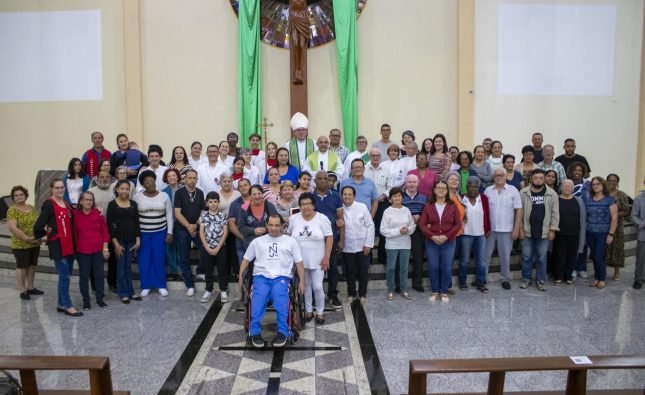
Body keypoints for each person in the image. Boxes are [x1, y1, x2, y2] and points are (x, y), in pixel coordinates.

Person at [239, 215, 305, 348]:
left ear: (282, 226)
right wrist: (240, 278)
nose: (273, 228)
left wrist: (302, 281)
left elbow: (299, 263)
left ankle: (283, 332)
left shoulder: (290, 241)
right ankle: (255, 333)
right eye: (271, 225)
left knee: (281, 299)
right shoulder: (257, 242)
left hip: (281, 278)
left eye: (277, 225)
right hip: (261, 277)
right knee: (258, 298)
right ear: (266, 225)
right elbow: (246, 261)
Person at [34, 179, 82, 316]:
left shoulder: (66, 203)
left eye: (62, 187)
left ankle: (61, 304)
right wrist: (50, 233)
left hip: (70, 244)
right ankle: (67, 305)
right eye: (57, 188)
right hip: (58, 245)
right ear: (51, 189)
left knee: (65, 276)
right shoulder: (49, 204)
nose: (60, 190)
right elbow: (38, 226)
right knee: (64, 276)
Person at [288, 192, 333, 324]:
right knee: (305, 285)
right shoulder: (294, 219)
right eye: (303, 204)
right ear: (299, 206)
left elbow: (329, 237)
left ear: (313, 205)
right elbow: (289, 236)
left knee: (318, 286)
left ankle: (320, 312)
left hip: (318, 259)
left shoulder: (322, 218)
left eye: (308, 204)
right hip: (300, 260)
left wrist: (327, 257)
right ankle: (308, 310)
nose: (306, 207)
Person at [419, 180, 462, 302]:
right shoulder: (428, 205)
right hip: (432, 242)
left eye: (444, 188)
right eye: (439, 187)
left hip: (448, 242)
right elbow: (422, 225)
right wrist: (432, 236)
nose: (441, 190)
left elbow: (458, 224)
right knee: (433, 266)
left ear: (447, 190)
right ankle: (435, 291)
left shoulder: (452, 205)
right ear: (434, 190)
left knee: (446, 266)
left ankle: (443, 291)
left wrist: (447, 236)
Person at [518, 169, 560, 291]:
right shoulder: (523, 192)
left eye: (541, 178)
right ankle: (526, 279)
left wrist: (553, 229)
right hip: (527, 231)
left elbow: (555, 213)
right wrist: (520, 228)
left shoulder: (552, 194)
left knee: (542, 258)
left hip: (544, 232)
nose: (538, 180)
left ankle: (540, 280)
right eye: (536, 178)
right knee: (526, 257)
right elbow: (519, 212)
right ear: (531, 179)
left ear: (545, 179)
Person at [134, 170, 173, 297]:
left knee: (159, 259)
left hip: (160, 233)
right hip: (143, 234)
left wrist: (169, 232)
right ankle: (146, 286)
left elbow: (169, 216)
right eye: (147, 182)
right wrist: (136, 236)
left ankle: (161, 285)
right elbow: (134, 218)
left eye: (152, 181)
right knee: (144, 260)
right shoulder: (137, 197)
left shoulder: (164, 196)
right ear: (143, 185)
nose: (150, 184)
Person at [484, 168, 523, 290]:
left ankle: (505, 278)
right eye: (496, 175)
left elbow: (519, 210)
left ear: (506, 176)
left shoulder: (513, 190)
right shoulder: (488, 190)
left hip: (506, 229)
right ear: (493, 177)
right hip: (490, 229)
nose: (499, 177)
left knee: (505, 256)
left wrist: (516, 228)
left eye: (502, 175)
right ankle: (482, 278)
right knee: (485, 255)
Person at [312, 171, 344, 309]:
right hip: (313, 240)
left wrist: (341, 240)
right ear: (315, 181)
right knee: (313, 268)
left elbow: (340, 220)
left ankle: (332, 295)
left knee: (332, 269)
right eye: (320, 178)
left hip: (332, 238)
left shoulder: (336, 196)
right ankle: (313, 296)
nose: (323, 181)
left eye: (326, 178)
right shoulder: (309, 197)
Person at [74, 191, 109, 310]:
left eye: (90, 200)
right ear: (81, 201)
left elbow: (105, 232)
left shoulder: (98, 214)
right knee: (84, 276)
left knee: (99, 275)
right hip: (82, 251)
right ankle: (86, 301)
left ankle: (100, 299)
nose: (88, 202)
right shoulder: (75, 215)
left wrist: (105, 248)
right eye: (86, 199)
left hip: (97, 250)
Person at [340, 186, 375, 305]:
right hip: (347, 246)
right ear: (341, 196)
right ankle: (351, 294)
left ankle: (363, 294)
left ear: (354, 196)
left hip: (362, 245)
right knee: (350, 271)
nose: (347, 196)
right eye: (345, 194)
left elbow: (370, 226)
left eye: (350, 194)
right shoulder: (339, 210)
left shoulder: (362, 207)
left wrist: (368, 244)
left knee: (363, 271)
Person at [7, 186, 42, 300]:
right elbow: (13, 228)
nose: (19, 197)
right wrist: (26, 238)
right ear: (13, 198)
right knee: (22, 267)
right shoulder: (12, 210)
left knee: (32, 266)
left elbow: (38, 223)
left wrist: (39, 236)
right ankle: (22, 290)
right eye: (16, 195)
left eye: (21, 194)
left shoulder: (32, 208)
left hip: (34, 242)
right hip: (20, 244)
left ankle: (30, 287)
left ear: (26, 196)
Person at [174, 169, 205, 296]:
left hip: (197, 227)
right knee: (184, 256)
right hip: (182, 228)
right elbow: (177, 213)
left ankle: (200, 271)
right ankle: (189, 284)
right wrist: (188, 226)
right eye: (190, 178)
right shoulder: (179, 193)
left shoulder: (200, 193)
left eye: (194, 178)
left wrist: (195, 225)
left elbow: (203, 212)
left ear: (197, 180)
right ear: (185, 179)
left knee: (204, 249)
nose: (192, 180)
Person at [380, 187, 415, 300]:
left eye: (399, 195)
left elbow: (412, 225)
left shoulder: (406, 210)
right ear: (390, 199)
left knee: (404, 268)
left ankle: (403, 289)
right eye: (394, 196)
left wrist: (408, 230)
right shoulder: (387, 211)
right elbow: (383, 230)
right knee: (391, 267)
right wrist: (398, 231)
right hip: (392, 245)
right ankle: (391, 290)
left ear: (402, 198)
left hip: (405, 244)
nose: (397, 198)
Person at [583, 176, 618, 289]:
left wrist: (611, 234)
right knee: (594, 256)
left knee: (598, 256)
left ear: (603, 185)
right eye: (593, 184)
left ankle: (602, 278)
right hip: (590, 232)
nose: (595, 186)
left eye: (598, 184)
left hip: (603, 233)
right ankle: (597, 278)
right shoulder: (589, 199)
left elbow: (614, 218)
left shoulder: (609, 199)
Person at [459, 177, 491, 292]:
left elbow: (487, 213)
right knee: (465, 260)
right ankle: (462, 282)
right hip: (465, 234)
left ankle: (481, 282)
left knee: (481, 260)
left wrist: (488, 228)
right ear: (467, 187)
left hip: (480, 234)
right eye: (471, 186)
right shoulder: (462, 198)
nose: (473, 188)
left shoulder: (483, 198)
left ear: (479, 187)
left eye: (476, 186)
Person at [552, 180, 586, 285]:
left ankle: (568, 276)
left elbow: (583, 219)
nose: (567, 188)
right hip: (559, 234)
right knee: (559, 255)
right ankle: (558, 276)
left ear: (573, 188)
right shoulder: (556, 200)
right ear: (561, 188)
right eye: (565, 186)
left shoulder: (579, 201)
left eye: (570, 186)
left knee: (572, 255)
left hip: (574, 233)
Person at [88, 171, 117, 291]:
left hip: (112, 230)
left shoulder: (115, 192)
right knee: (95, 260)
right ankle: (95, 286)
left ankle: (112, 283)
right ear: (96, 179)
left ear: (111, 179)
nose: (104, 179)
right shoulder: (91, 192)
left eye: (107, 177)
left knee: (113, 259)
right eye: (102, 177)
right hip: (96, 231)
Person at [198, 191, 229, 303]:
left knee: (222, 269)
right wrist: (207, 247)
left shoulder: (223, 215)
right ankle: (208, 290)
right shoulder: (203, 215)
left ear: (218, 202)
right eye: (210, 202)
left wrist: (218, 247)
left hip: (221, 247)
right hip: (207, 247)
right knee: (208, 269)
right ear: (207, 203)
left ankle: (223, 290)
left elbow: (225, 233)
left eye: (215, 201)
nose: (213, 204)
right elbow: (201, 233)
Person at [365, 148, 394, 264]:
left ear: (380, 157)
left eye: (377, 155)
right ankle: (369, 256)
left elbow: (390, 186)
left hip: (383, 204)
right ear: (369, 157)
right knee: (369, 229)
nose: (375, 158)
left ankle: (382, 256)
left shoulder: (386, 170)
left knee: (383, 230)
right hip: (368, 204)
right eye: (373, 155)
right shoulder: (365, 170)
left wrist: (383, 196)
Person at [402, 174, 427, 292]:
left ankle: (417, 283)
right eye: (409, 182)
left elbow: (427, 214)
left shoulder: (424, 198)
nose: (411, 184)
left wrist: (419, 218)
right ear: (405, 184)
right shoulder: (399, 197)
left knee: (418, 257)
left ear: (418, 184)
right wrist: (409, 218)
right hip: (403, 231)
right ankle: (401, 283)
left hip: (418, 231)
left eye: (414, 182)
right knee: (403, 258)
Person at [237, 184, 279, 250]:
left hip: (269, 245)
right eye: (254, 194)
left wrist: (267, 228)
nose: (257, 196)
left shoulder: (269, 206)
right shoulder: (244, 208)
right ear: (250, 196)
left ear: (262, 194)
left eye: (259, 193)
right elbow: (240, 227)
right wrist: (254, 230)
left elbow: (277, 223)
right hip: (251, 245)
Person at [605, 174, 630, 280]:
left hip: (617, 225)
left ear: (617, 182)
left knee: (617, 247)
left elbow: (626, 210)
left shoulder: (622, 195)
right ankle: (603, 271)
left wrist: (614, 214)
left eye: (614, 181)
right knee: (604, 248)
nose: (612, 182)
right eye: (610, 180)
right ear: (606, 181)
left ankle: (616, 271)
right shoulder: (603, 193)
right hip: (603, 224)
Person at [162, 168, 181, 281]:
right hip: (168, 223)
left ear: (177, 177)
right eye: (169, 176)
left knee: (181, 247)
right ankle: (173, 271)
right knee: (170, 247)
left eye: (174, 175)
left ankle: (181, 269)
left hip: (181, 222)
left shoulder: (184, 190)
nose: (172, 178)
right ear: (166, 179)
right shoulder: (163, 192)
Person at [228, 178, 252, 268]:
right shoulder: (234, 204)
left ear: (250, 186)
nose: (243, 187)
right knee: (243, 268)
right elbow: (231, 223)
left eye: (245, 185)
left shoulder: (257, 200)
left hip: (256, 239)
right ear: (238, 189)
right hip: (240, 240)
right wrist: (242, 237)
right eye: (240, 186)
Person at [632, 176, 645, 290]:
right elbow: (633, 216)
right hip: (643, 233)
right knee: (641, 258)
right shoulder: (639, 199)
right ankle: (638, 279)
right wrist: (642, 223)